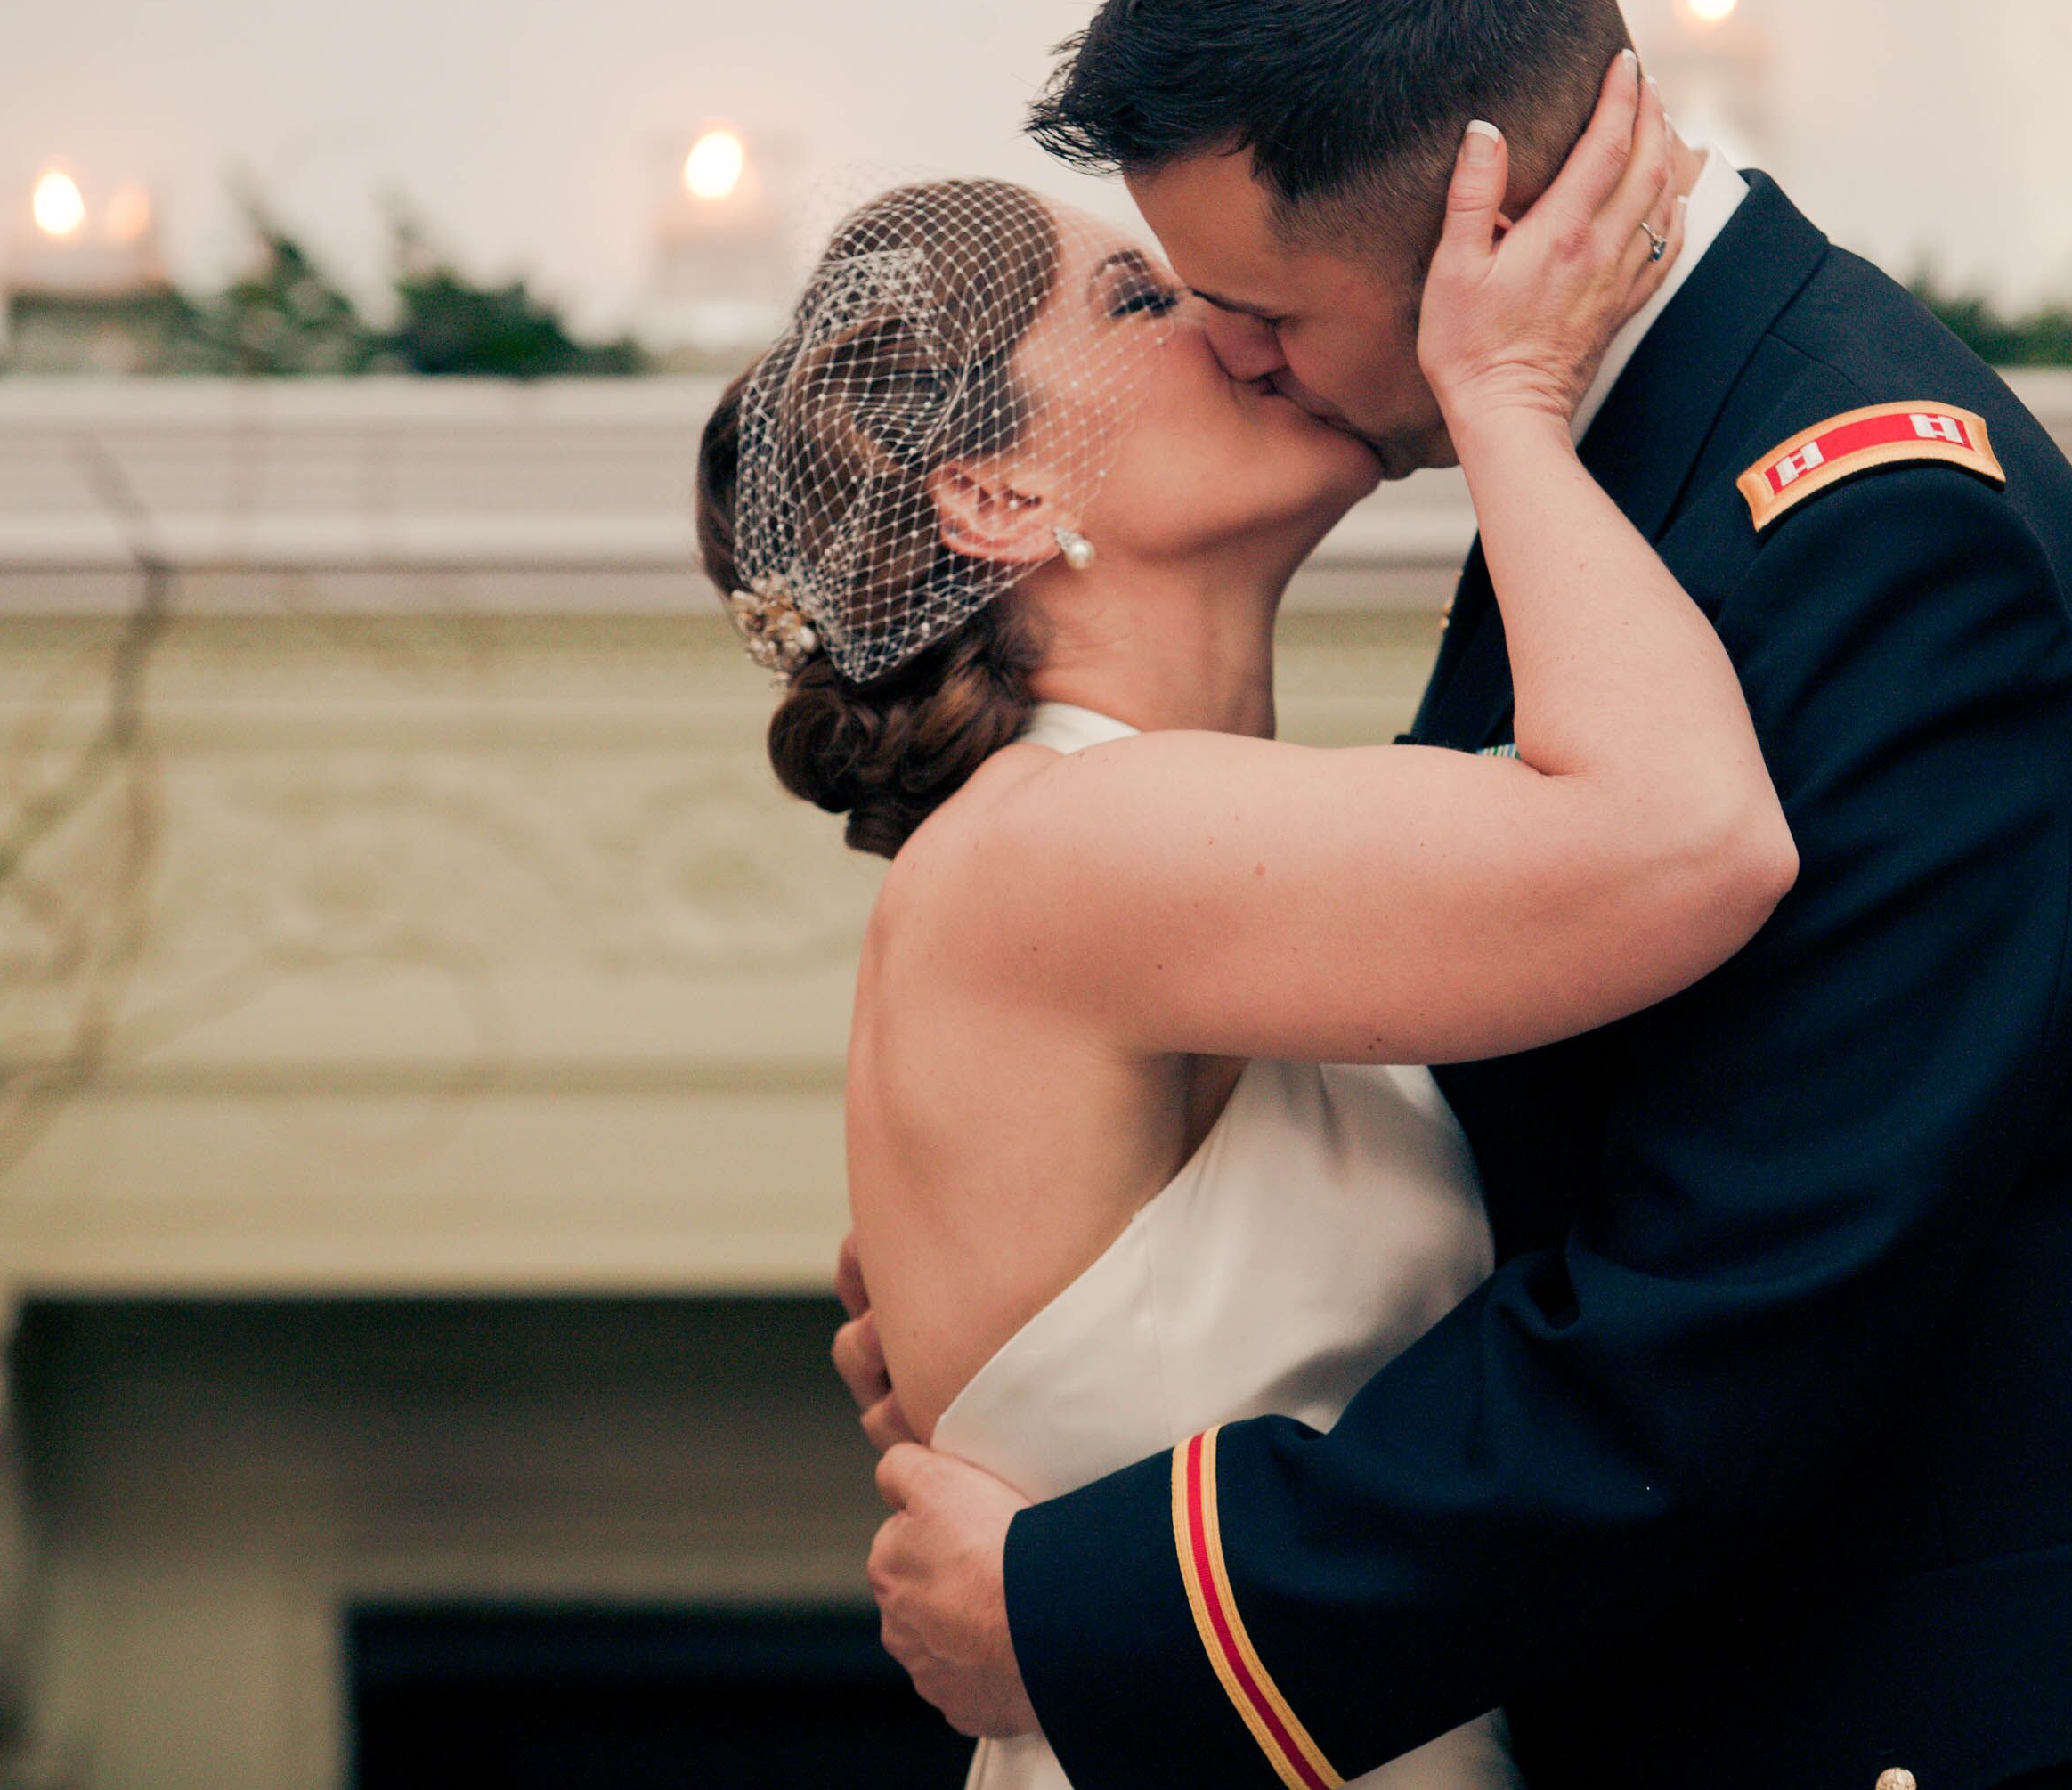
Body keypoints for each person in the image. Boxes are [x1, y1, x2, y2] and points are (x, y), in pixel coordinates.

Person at [849, 0, 2072, 1790]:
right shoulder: (1649, 443)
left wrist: (1092, 1596)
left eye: (1265, 314)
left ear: (1471, 220)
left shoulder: (1879, 530)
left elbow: (1736, 1311)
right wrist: (1053, 1302)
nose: (1239, 366)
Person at [699, 86, 1788, 1790]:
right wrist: (1506, 400)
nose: (1229, 320)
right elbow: (1695, 839)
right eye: (1141, 301)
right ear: (992, 490)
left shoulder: (1139, 840)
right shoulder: (1076, 845)